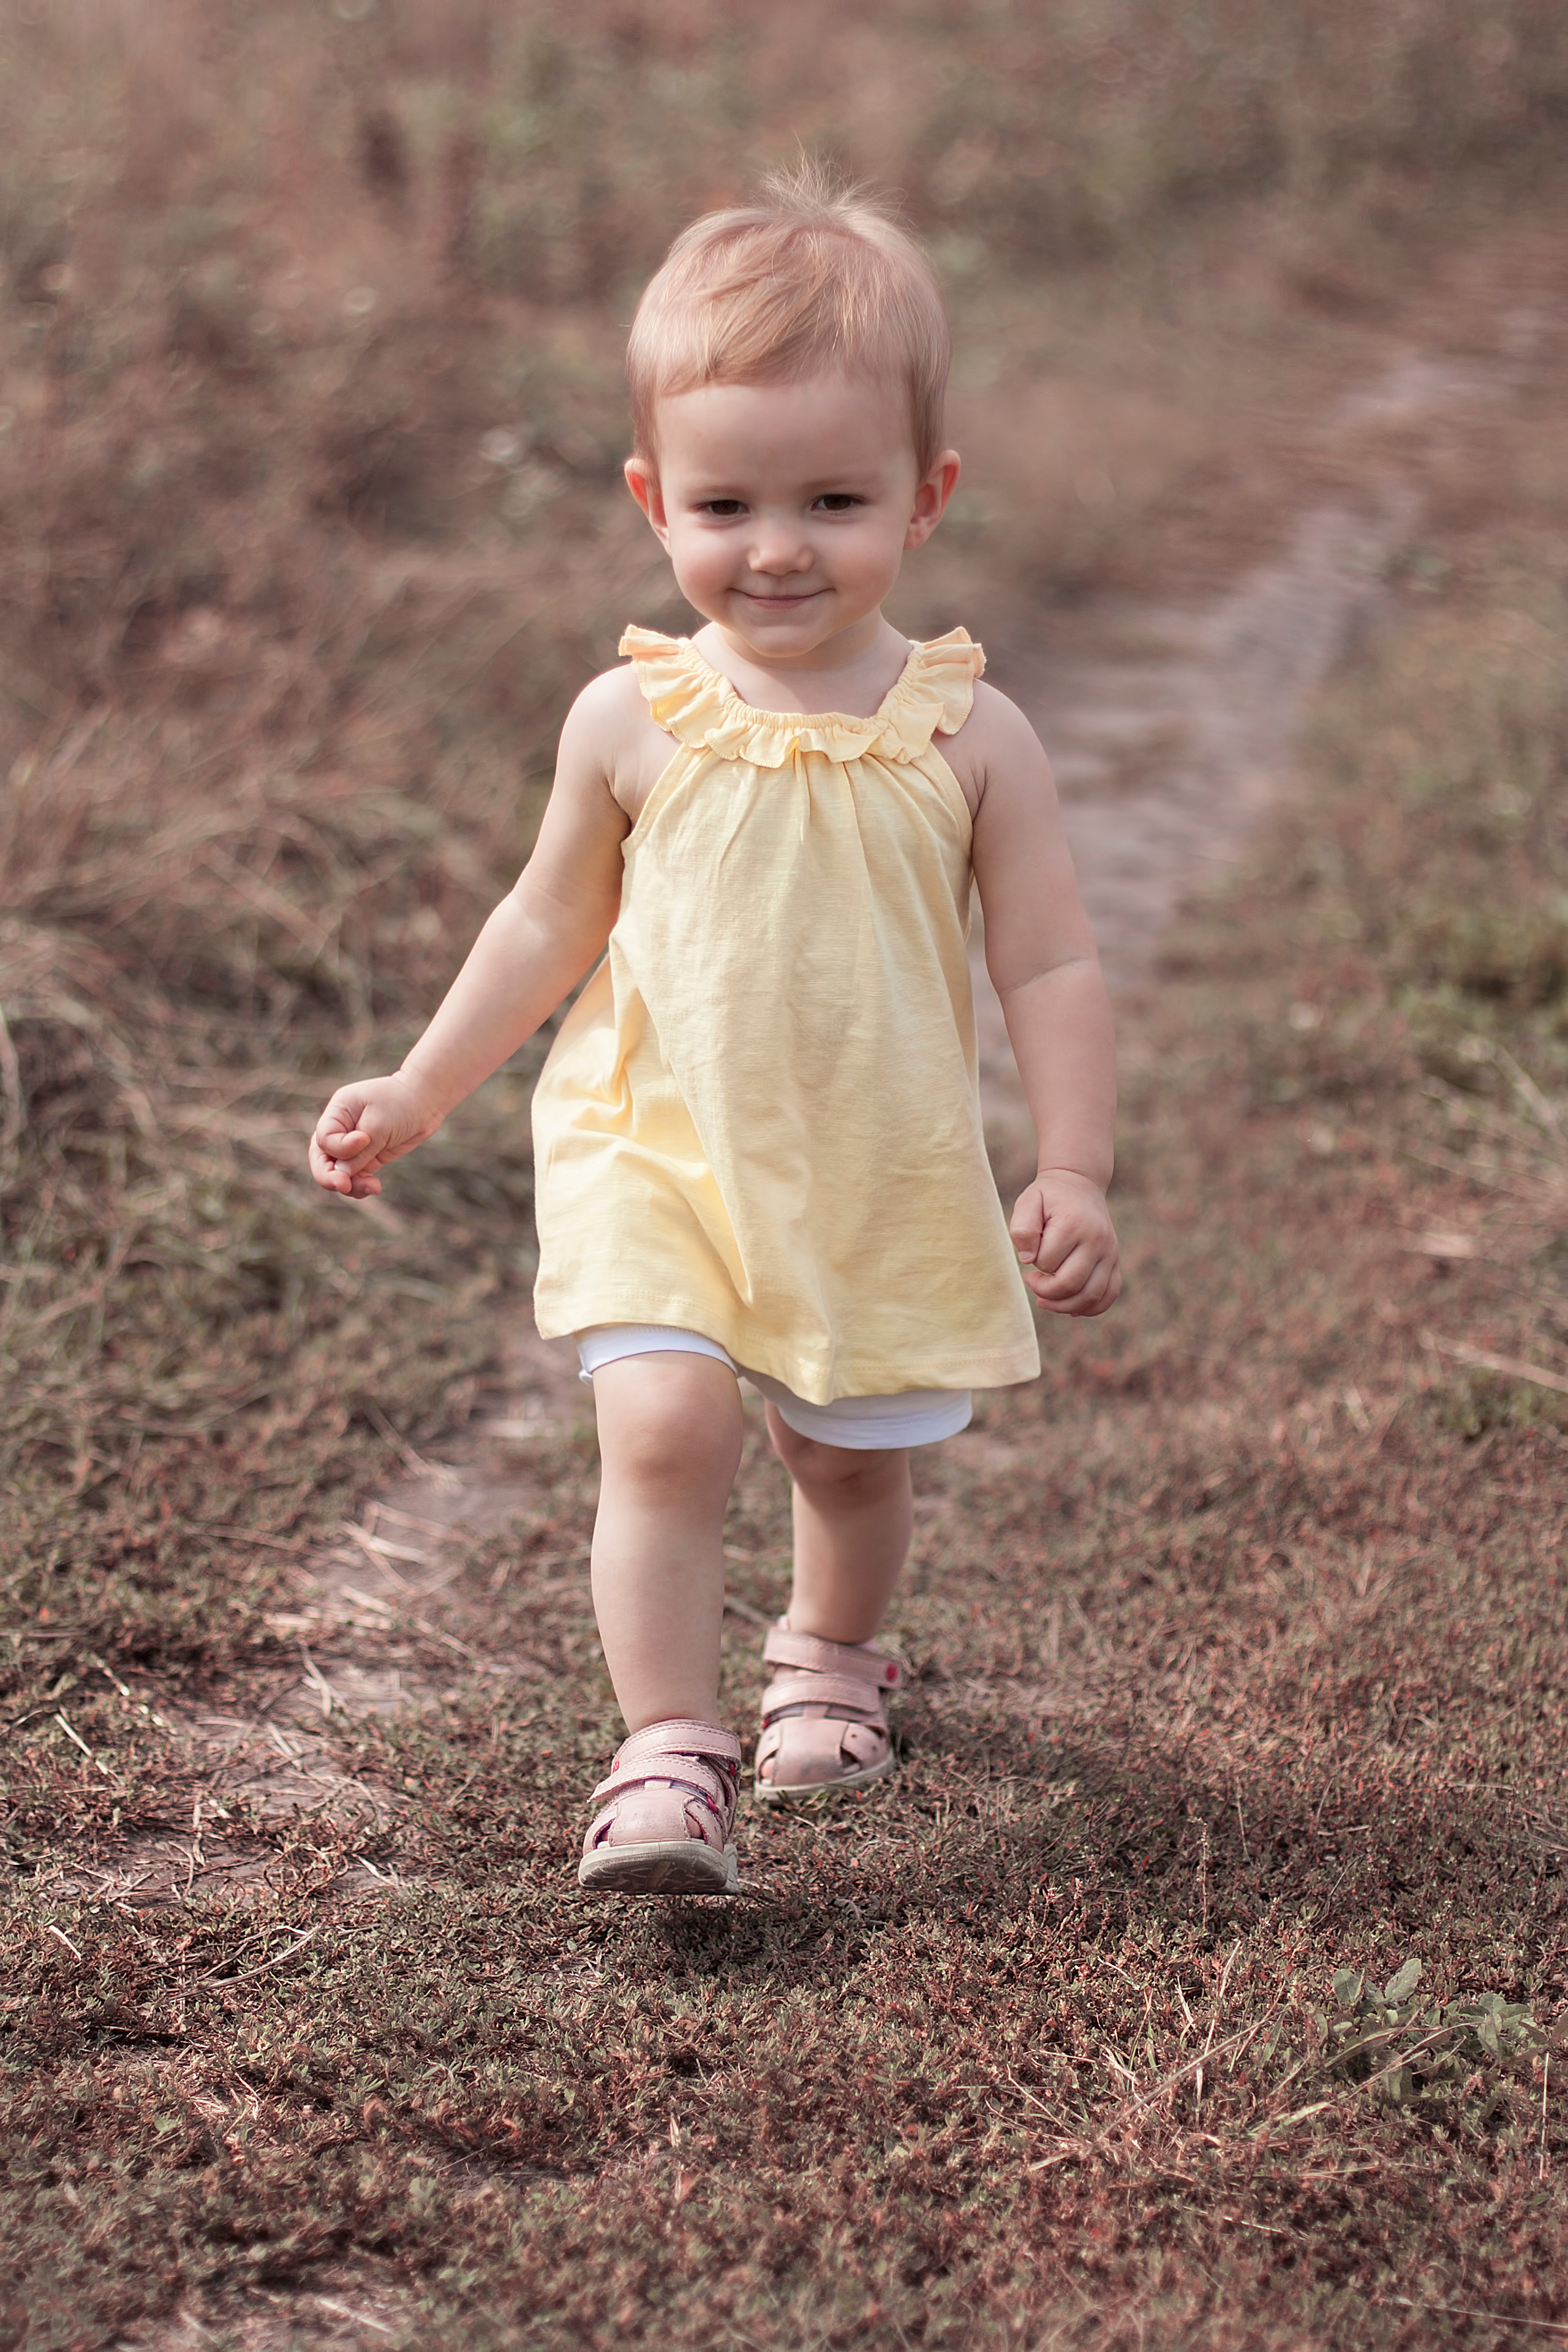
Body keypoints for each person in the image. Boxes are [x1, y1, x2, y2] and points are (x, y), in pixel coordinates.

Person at [309, 168, 1120, 1896]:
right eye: (726, 502)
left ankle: (831, 1654)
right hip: (651, 1142)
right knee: (665, 1422)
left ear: (928, 497)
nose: (776, 548)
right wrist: (422, 1086)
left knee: (841, 1451)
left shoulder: (974, 739)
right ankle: (666, 1755)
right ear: (649, 501)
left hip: (869, 1160)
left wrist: (1074, 1163)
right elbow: (546, 921)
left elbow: (1048, 964)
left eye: (834, 498)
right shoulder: (630, 716)